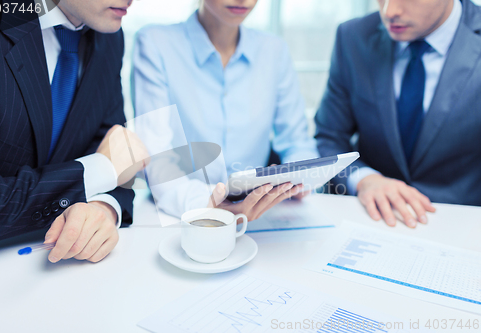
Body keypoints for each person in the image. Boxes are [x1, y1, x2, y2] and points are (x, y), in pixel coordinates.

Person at [0, 0, 149, 263]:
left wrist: (103, 208)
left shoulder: (109, 38)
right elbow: (107, 165)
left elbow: (115, 155)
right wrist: (96, 172)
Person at [132, 0, 318, 221]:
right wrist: (206, 204)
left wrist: (299, 180)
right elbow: (156, 156)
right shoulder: (155, 43)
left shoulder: (274, 50)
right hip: (178, 213)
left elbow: (297, 143)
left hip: (261, 213)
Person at [315, 0, 481, 228]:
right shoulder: (352, 37)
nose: (389, 11)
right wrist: (363, 179)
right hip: (370, 219)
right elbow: (329, 138)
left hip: (464, 225)